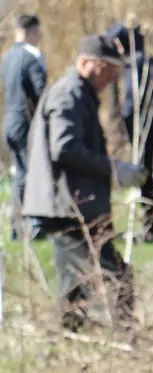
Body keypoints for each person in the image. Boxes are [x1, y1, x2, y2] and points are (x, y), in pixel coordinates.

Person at [21, 34, 148, 332]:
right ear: (89, 63)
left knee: (78, 278)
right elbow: (63, 147)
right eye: (109, 70)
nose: (112, 79)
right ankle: (121, 335)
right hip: (67, 205)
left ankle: (72, 335)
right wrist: (113, 169)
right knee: (109, 273)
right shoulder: (69, 94)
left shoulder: (78, 93)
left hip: (74, 203)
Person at [105, 21, 153, 242]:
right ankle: (150, 226)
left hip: (144, 126)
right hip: (138, 126)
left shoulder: (141, 63)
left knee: (144, 176)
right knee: (144, 176)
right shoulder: (132, 63)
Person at [2, 13, 46, 240]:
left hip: (9, 122)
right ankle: (34, 225)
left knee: (20, 174)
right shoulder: (33, 56)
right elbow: (41, 92)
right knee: (32, 172)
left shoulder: (7, 57)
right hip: (26, 123)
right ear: (32, 32)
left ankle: (16, 227)